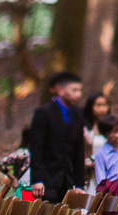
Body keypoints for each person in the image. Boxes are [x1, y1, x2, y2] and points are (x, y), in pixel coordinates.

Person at [27, 72, 87, 203]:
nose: (78, 94)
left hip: (67, 181)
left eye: (80, 90)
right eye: (74, 90)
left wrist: (79, 183)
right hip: (47, 179)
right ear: (60, 91)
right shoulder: (44, 113)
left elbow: (79, 150)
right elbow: (36, 147)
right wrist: (37, 179)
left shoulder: (77, 114)